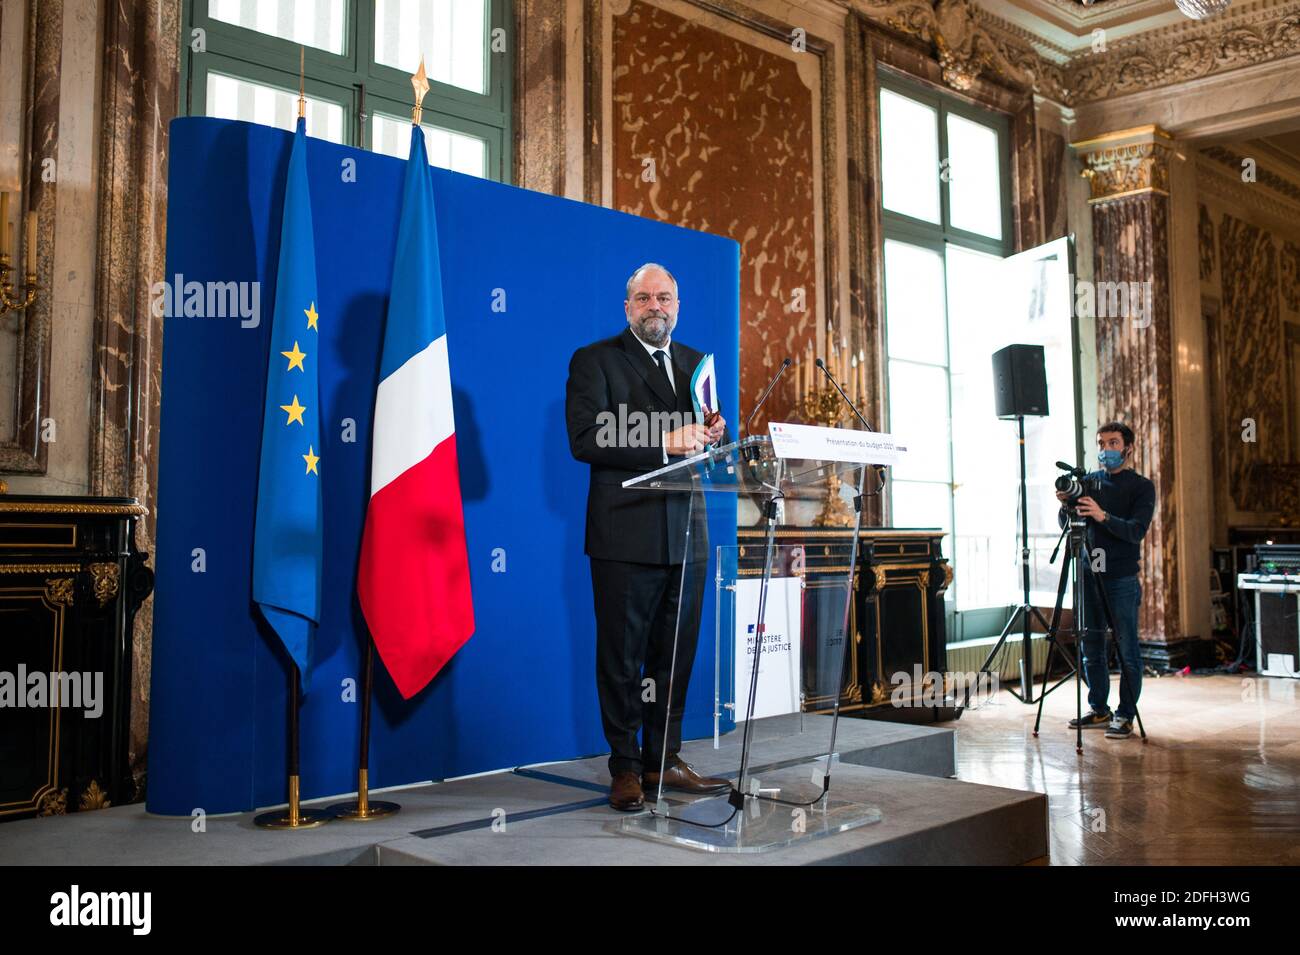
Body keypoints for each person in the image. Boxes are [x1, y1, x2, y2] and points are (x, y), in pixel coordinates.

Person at [565, 263, 730, 811]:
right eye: (644, 298)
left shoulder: (695, 362)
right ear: (628, 307)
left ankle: (665, 759)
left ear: (677, 306)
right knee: (622, 659)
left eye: (665, 298)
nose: (655, 306)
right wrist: (667, 439)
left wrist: (713, 435)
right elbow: (586, 439)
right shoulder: (595, 360)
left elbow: (701, 438)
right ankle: (626, 767)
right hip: (624, 535)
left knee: (674, 656)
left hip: (687, 533)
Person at [1056, 420, 1155, 739]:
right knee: (1090, 646)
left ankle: (1126, 714)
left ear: (1128, 447)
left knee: (1127, 648)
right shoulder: (1088, 482)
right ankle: (1099, 708)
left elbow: (1135, 531)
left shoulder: (1141, 486)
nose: (1106, 449)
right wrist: (1065, 505)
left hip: (1121, 577)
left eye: (1113, 443)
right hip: (1087, 573)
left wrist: (1103, 516)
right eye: (1101, 443)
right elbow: (1069, 523)